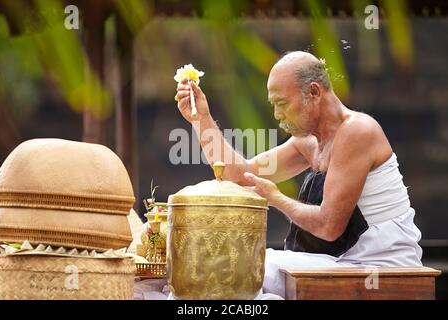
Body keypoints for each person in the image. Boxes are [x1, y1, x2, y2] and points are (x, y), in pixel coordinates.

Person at [175, 51, 422, 298]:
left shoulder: (358, 131)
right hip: (339, 262)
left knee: (241, 268)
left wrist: (276, 198)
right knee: (219, 268)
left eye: (282, 103)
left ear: (314, 92)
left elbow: (329, 226)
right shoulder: (308, 142)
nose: (277, 114)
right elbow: (240, 175)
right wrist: (201, 119)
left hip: (380, 267)